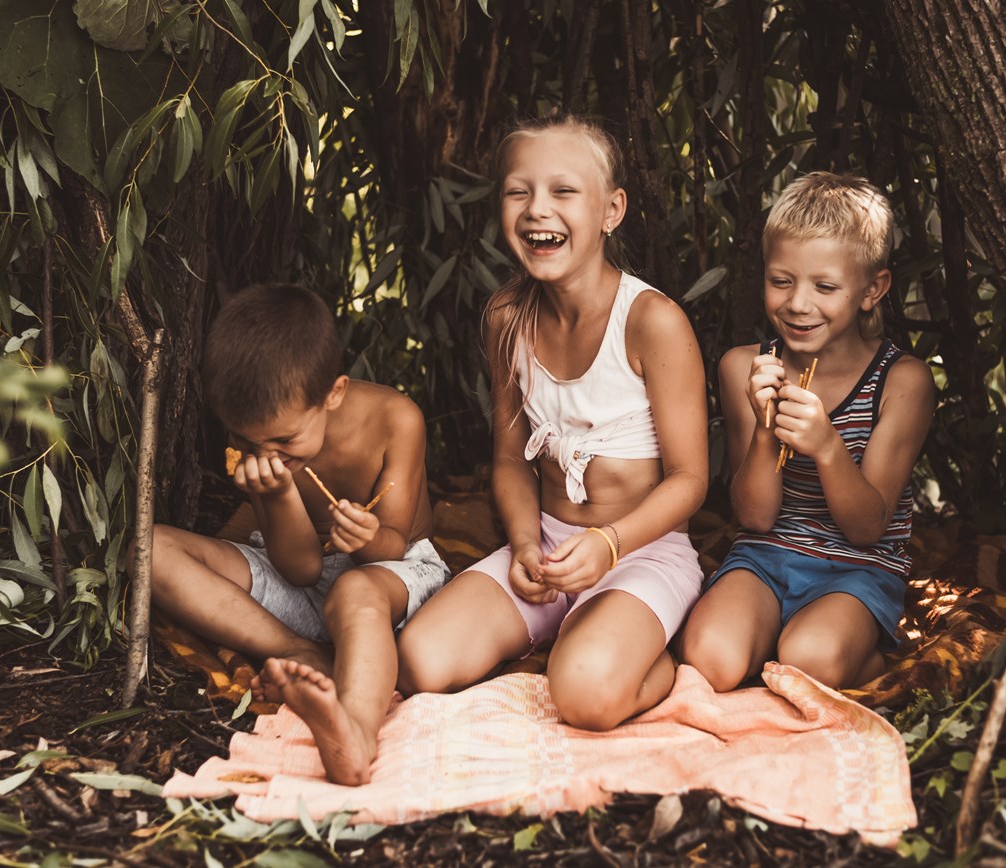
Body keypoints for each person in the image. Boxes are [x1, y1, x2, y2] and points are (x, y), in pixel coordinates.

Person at [397, 116, 708, 730]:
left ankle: (651, 659)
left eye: (564, 192)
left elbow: (691, 479)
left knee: (584, 697)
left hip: (639, 551)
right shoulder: (507, 317)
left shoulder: (652, 321)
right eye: (519, 191)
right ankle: (570, 632)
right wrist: (521, 546)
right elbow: (511, 459)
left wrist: (608, 543)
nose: (538, 209)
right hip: (544, 547)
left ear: (611, 210)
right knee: (419, 662)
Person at [139, 283, 450, 785]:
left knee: (353, 588)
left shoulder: (397, 419)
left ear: (335, 393)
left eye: (284, 440)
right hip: (300, 573)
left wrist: (367, 536)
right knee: (150, 549)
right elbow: (301, 568)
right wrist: (279, 496)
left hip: (387, 575)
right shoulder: (262, 444)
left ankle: (356, 732)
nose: (268, 454)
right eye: (246, 441)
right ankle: (299, 651)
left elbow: (395, 541)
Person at [679, 172, 934, 692]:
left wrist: (826, 448)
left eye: (825, 286)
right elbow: (753, 516)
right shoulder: (742, 367)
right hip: (765, 555)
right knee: (708, 657)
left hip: (857, 569)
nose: (798, 304)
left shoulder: (902, 381)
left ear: (872, 290)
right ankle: (786, 643)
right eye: (781, 281)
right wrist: (764, 431)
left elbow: (868, 528)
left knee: (806, 658)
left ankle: (850, 654)